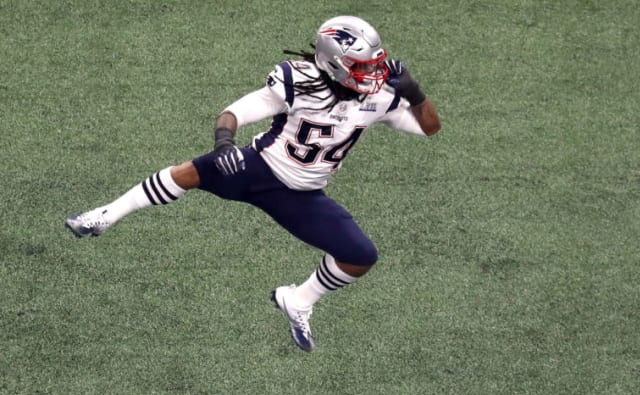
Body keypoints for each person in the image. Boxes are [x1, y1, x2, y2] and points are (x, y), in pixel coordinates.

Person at [65, 15, 441, 352]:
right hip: (259, 167)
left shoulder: (382, 96)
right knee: (188, 173)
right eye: (362, 66)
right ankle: (106, 214)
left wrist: (415, 93)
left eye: (374, 63)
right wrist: (224, 143)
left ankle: (299, 300)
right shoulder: (301, 81)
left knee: (361, 257)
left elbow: (430, 128)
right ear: (334, 64)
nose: (374, 74)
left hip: (303, 195)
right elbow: (234, 113)